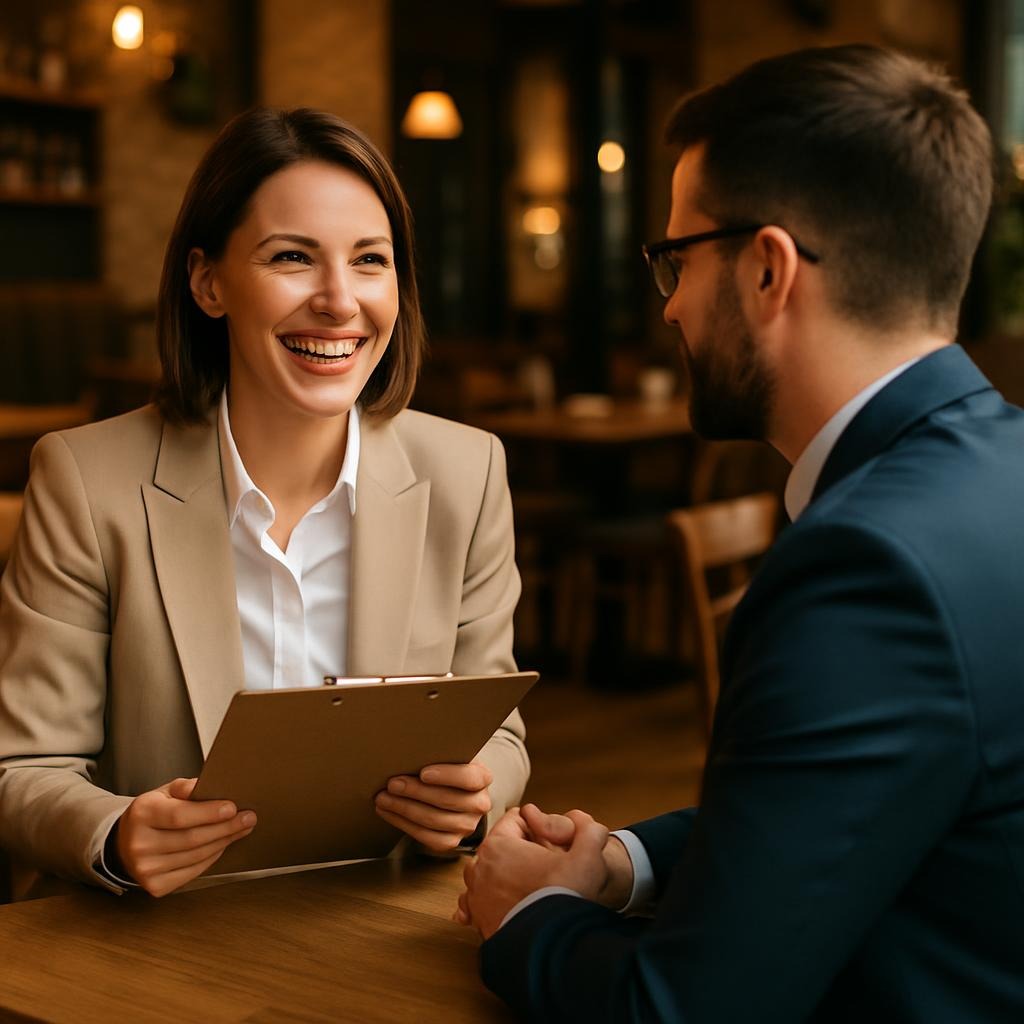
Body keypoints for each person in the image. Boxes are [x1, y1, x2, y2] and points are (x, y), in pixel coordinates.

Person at [458, 44, 1024, 1022]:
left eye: (674, 259)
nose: (669, 304)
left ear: (767, 269)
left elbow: (685, 1009)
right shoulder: (999, 463)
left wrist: (528, 915)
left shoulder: (866, 567)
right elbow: (865, 804)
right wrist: (626, 862)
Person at [0, 108, 529, 900]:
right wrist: (113, 833)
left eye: (370, 261)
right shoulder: (84, 480)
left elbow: (501, 732)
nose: (340, 301)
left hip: (374, 931)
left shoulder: (468, 472)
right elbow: (23, 769)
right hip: (151, 949)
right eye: (292, 257)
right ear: (208, 282)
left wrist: (474, 792)